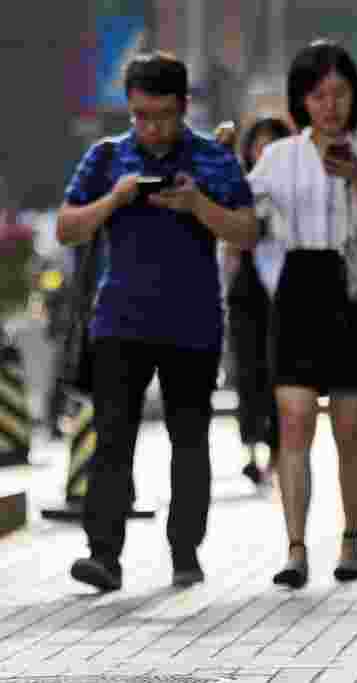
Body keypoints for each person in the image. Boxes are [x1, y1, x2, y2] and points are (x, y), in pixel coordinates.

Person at [56, 52, 259, 591]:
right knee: (113, 440)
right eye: (140, 115)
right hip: (119, 321)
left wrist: (198, 206)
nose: (151, 128)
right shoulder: (105, 158)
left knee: (189, 442)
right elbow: (66, 227)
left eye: (163, 116)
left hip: (193, 325)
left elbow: (247, 231)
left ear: (184, 106)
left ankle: (185, 552)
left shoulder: (213, 160)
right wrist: (114, 200)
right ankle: (104, 555)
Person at [246, 39, 357, 589]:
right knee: (294, 421)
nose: (329, 105)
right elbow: (248, 212)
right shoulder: (280, 156)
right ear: (301, 100)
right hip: (299, 285)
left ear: (354, 96)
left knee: (349, 428)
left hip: (356, 286)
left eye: (339, 92)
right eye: (317, 95)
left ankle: (351, 536)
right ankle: (295, 548)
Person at [218, 117, 292, 486]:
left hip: (286, 291)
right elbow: (229, 243)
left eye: (272, 145)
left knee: (282, 374)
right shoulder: (240, 186)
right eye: (258, 145)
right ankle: (250, 450)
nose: (264, 152)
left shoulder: (297, 188)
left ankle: (279, 452)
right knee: (248, 373)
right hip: (248, 292)